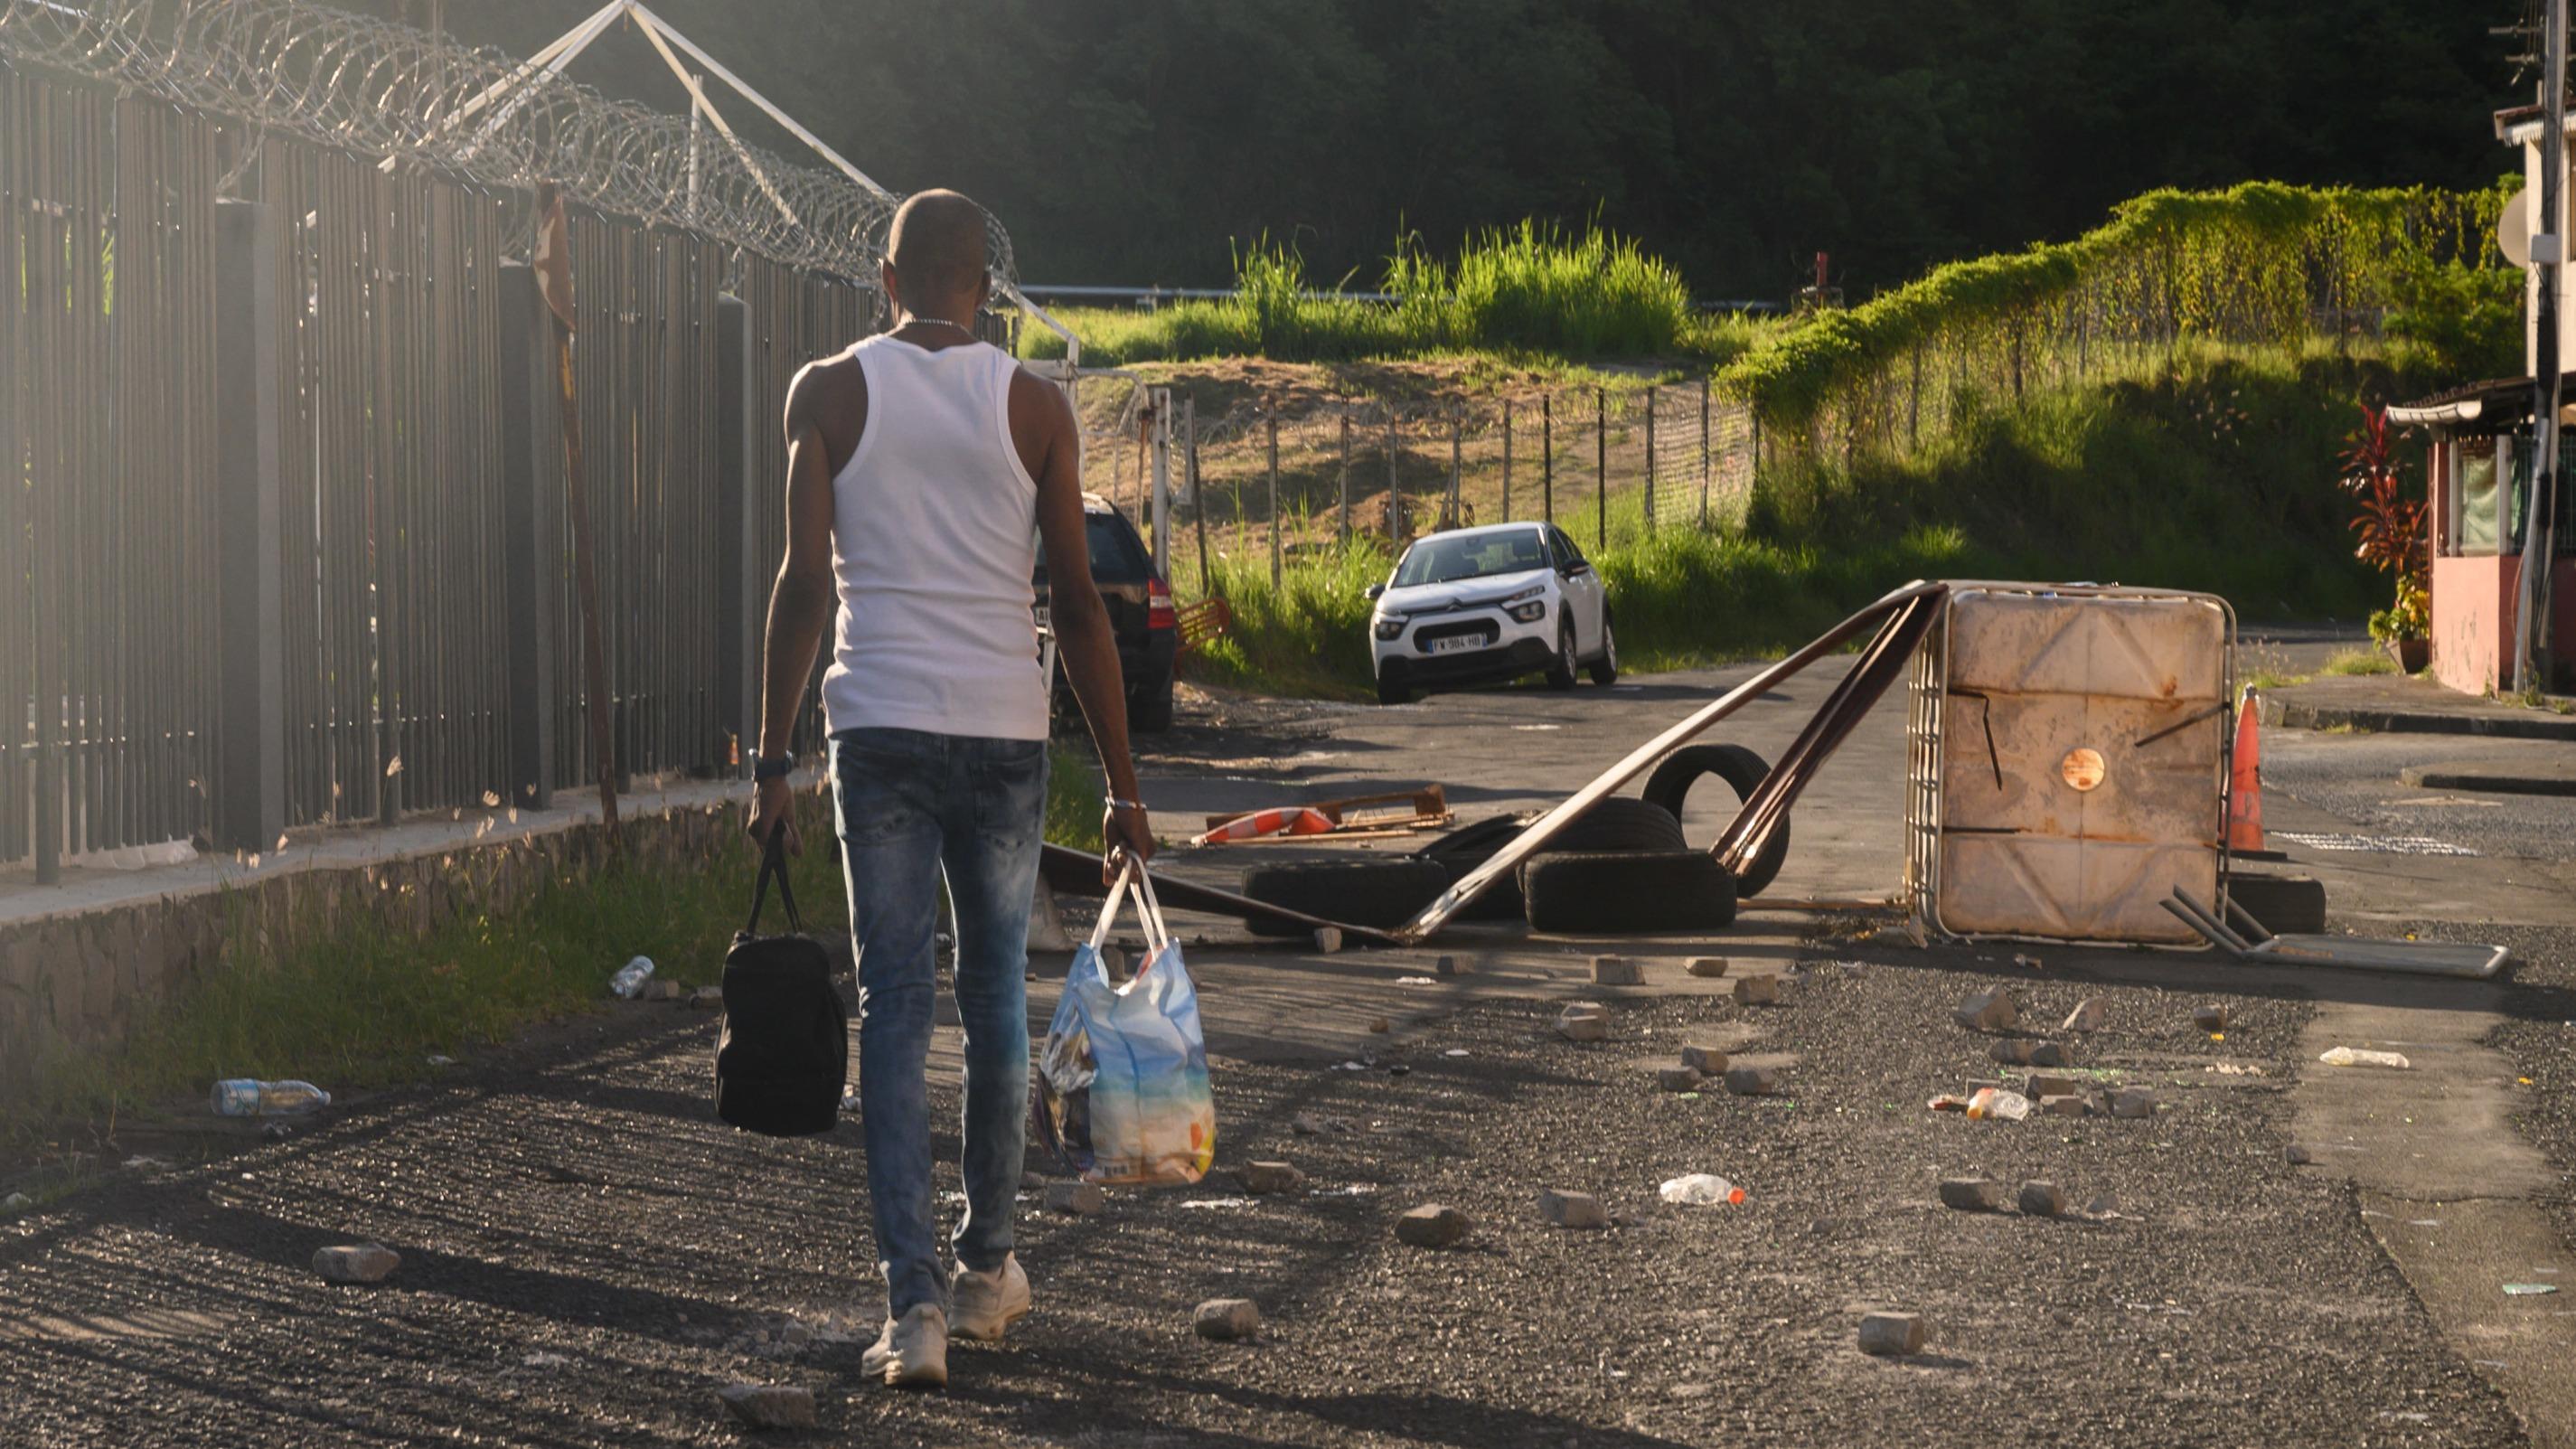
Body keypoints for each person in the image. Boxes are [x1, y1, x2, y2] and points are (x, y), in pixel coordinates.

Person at [744, 189, 1152, 1390]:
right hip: (1001, 732)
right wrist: (1125, 790)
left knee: (893, 1004)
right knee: (994, 1005)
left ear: (887, 278)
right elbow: (1077, 603)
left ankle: (910, 1308)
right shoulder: (1035, 404)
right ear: (985, 285)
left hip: (876, 726)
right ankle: (988, 1269)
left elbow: (801, 586)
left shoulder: (825, 391)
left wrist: (771, 758)